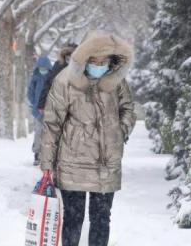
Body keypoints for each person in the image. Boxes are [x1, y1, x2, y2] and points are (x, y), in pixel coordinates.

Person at [40, 32, 137, 246]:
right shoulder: (65, 81)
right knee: (73, 219)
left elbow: (128, 109)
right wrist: (47, 163)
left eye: (104, 61)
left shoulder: (117, 82)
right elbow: (52, 123)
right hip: (72, 162)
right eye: (94, 60)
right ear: (84, 58)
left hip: (106, 163)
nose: (99, 65)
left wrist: (120, 131)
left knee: (101, 219)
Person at [37, 43, 77, 113]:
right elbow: (48, 84)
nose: (70, 58)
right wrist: (41, 104)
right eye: (68, 56)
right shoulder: (58, 66)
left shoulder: (82, 66)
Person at [27, 55, 52, 165]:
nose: (43, 70)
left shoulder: (52, 78)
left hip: (50, 110)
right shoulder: (35, 77)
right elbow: (30, 92)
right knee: (38, 132)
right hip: (38, 111)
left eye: (45, 68)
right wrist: (35, 104)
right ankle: (36, 154)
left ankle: (47, 155)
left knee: (49, 134)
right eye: (41, 67)